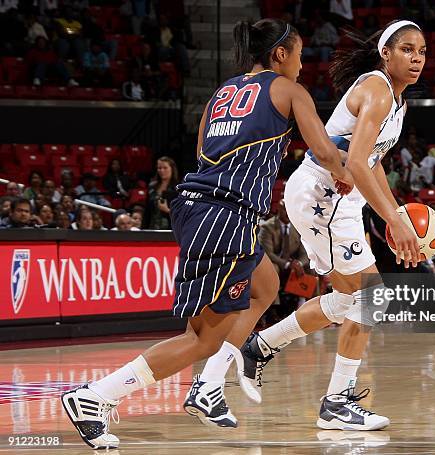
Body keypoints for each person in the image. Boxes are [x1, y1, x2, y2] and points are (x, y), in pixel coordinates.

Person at [61, 18, 352, 448]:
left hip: (205, 207)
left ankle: (210, 386)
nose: (303, 64)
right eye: (300, 54)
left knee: (265, 286)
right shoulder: (288, 90)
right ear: (279, 54)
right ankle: (95, 396)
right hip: (224, 216)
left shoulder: (223, 91)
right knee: (202, 338)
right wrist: (348, 175)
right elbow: (324, 150)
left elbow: (202, 153)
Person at [230, 20, 424, 431]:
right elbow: (354, 163)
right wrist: (393, 220)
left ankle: (259, 346)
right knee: (372, 298)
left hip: (339, 201)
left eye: (422, 51)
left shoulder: (398, 103)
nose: (417, 58)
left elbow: (372, 163)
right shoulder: (376, 89)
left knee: (348, 299)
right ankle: (336, 401)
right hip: (323, 195)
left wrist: (399, 214)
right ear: (386, 53)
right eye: (407, 49)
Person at [147, 157, 179, 230]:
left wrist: (167, 210)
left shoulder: (178, 188)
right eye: (159, 168)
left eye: (165, 168)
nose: (161, 170)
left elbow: (181, 213)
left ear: (172, 169)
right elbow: (147, 210)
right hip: (152, 227)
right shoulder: (152, 187)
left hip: (170, 228)